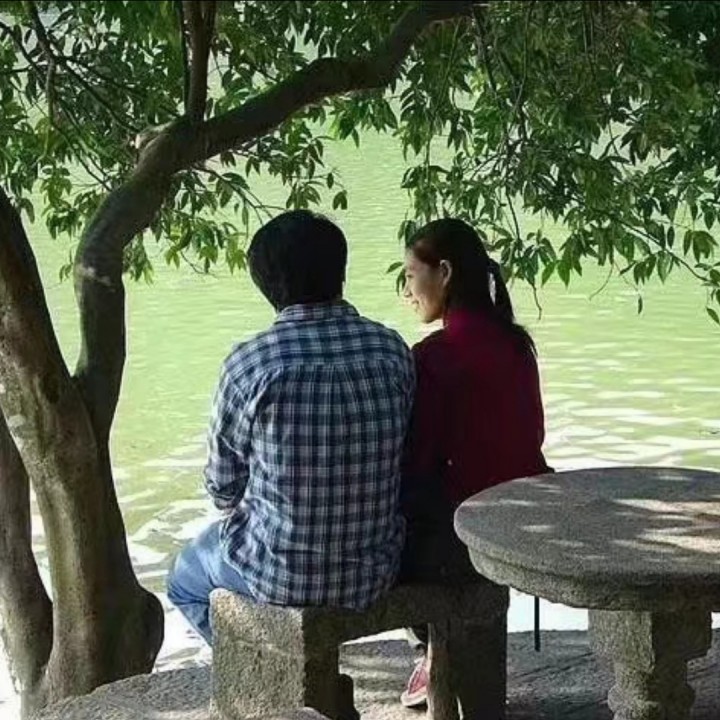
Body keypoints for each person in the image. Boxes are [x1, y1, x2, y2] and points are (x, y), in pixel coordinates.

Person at [167, 210, 415, 644]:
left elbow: (223, 488)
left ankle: (257, 669)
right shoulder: (391, 351)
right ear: (340, 272)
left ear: (266, 285)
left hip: (278, 576)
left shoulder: (249, 364)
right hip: (375, 570)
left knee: (183, 580)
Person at [398, 218, 549, 707]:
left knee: (379, 535)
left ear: (443, 273)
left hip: (466, 533)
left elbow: (418, 462)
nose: (407, 291)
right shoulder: (516, 342)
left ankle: (428, 649)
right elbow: (531, 436)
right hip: (525, 515)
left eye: (410, 275)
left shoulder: (435, 356)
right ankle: (434, 655)